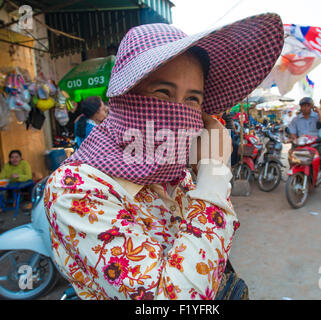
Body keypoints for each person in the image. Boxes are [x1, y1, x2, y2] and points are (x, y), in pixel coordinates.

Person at [43, 14, 284, 300]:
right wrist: (215, 176)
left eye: (192, 99)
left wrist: (203, 173)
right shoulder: (76, 188)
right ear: (124, 95)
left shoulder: (175, 174)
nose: (180, 112)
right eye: (163, 92)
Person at [288, 97, 321, 197]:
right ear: (300, 107)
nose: (305, 108)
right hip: (302, 144)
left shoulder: (317, 116)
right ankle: (299, 179)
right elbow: (293, 134)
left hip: (317, 144)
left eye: (308, 105)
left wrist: (319, 112)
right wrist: (293, 139)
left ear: (312, 106)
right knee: (292, 158)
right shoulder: (295, 120)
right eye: (303, 106)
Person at [0, 150, 33, 215]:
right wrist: (7, 179)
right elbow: (0, 177)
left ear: (20, 158)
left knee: (31, 184)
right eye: (12, 157)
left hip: (24, 184)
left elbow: (29, 176)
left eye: (16, 157)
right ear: (9, 159)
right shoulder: (7, 165)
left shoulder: (24, 163)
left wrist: (18, 176)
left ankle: (33, 203)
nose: (14, 159)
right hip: (11, 185)